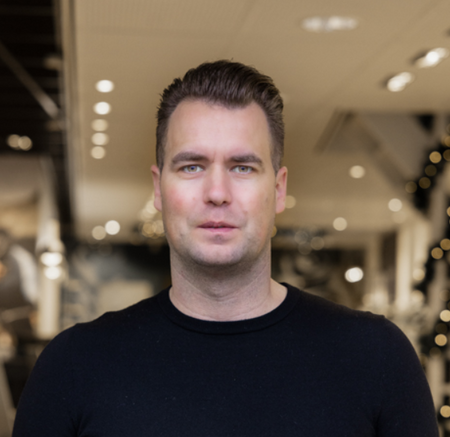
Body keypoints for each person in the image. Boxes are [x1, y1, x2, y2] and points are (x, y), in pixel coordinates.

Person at [13, 60, 438, 436]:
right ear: (158, 188)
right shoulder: (73, 366)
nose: (217, 192)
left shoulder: (376, 357)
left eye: (243, 167)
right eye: (191, 166)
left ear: (279, 189)